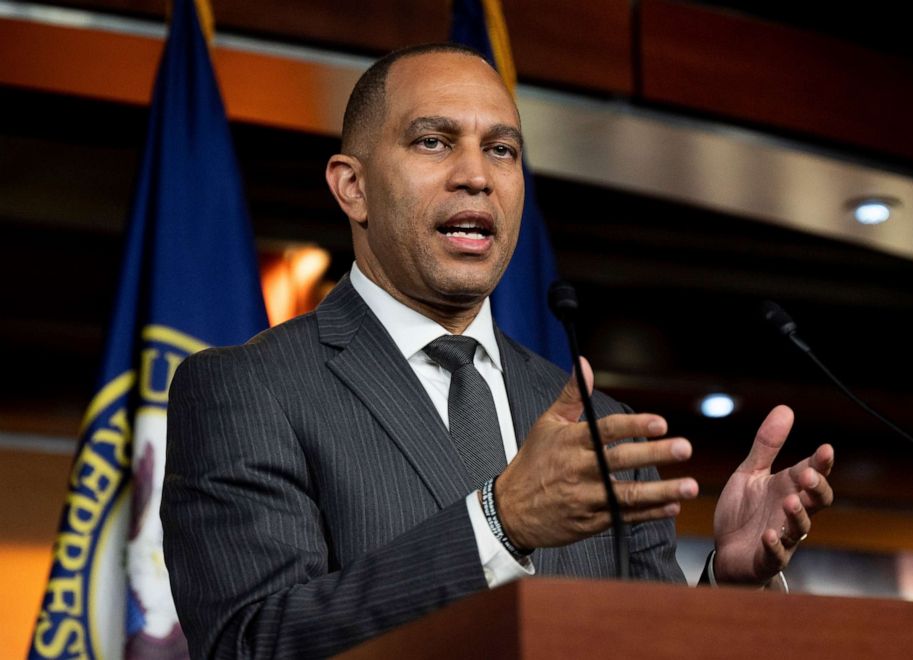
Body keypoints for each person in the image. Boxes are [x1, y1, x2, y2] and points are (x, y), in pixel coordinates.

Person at [162, 43, 835, 659]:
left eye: (502, 150)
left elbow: (648, 644)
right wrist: (498, 523)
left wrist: (730, 584)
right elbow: (249, 645)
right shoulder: (246, 390)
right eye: (433, 141)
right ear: (352, 186)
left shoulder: (599, 426)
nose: (476, 176)